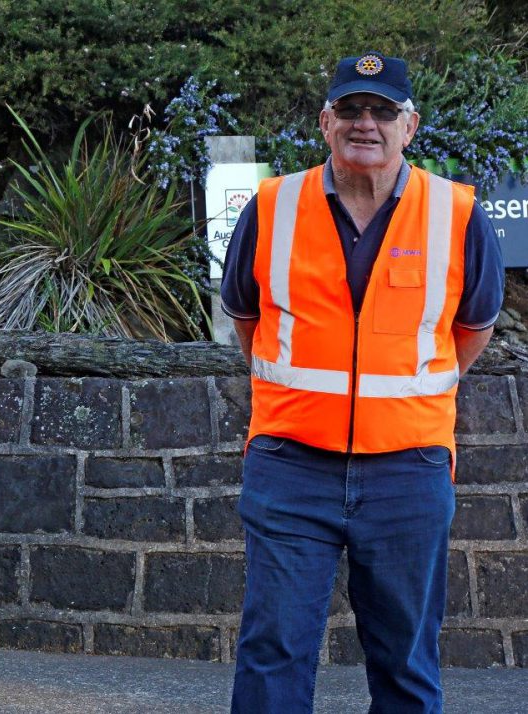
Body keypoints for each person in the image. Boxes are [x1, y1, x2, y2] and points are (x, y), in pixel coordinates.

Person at [222, 53, 504, 712]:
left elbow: (474, 328)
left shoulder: (457, 213)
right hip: (291, 463)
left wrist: (407, 398)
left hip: (409, 468)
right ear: (326, 122)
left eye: (383, 110)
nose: (365, 123)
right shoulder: (272, 207)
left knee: (406, 660)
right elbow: (246, 320)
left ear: (411, 125)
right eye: (350, 108)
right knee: (272, 652)